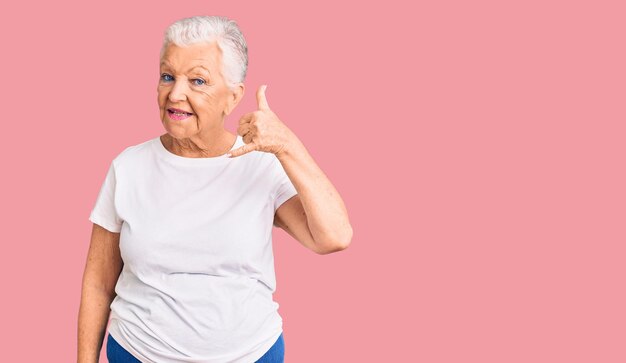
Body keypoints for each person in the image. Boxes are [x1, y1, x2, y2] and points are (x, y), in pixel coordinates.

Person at [77, 15, 353, 363]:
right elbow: (98, 283)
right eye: (167, 76)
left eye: (198, 80)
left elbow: (334, 236)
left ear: (232, 97)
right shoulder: (127, 167)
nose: (176, 93)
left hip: (250, 354)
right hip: (138, 352)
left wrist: (287, 145)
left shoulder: (261, 164)